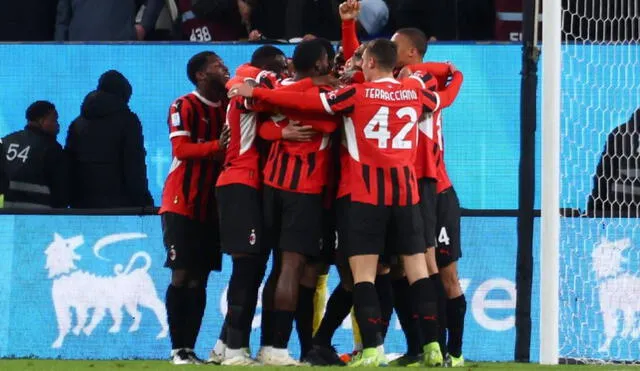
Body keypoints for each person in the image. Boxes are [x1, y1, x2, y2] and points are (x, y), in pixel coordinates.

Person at [229, 38, 443, 367]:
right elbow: (444, 92)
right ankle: (433, 348)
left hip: (363, 197)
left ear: (369, 62)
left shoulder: (354, 95)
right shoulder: (415, 93)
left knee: (363, 276)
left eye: (360, 59)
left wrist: (257, 95)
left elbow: (316, 110)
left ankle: (370, 350)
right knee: (418, 273)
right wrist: (439, 72)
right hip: (407, 196)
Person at [209, 45, 293, 366]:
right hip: (241, 181)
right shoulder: (252, 75)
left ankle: (222, 346)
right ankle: (235, 350)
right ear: (268, 65)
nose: (284, 73)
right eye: (281, 66)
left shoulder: (252, 83)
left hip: (250, 183)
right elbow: (250, 86)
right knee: (247, 270)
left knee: (253, 269)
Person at [159, 51, 229, 365]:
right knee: (182, 274)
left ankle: (189, 349)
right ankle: (177, 350)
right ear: (201, 75)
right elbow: (181, 149)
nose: (223, 67)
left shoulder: (229, 106)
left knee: (200, 277)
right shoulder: (183, 105)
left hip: (212, 206)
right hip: (181, 202)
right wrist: (217, 147)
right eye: (216, 65)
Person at [65, 70, 153, 209]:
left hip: (81, 202)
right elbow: (133, 163)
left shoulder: (77, 123)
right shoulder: (128, 121)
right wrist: (142, 200)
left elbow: (68, 163)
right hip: (119, 203)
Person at [0, 101, 68, 209]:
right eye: (54, 120)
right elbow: (60, 188)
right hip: (40, 213)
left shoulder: (6, 141)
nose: (57, 125)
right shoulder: (51, 148)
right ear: (41, 121)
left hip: (7, 212)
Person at [588, 108, 640, 216]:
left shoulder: (621, 133)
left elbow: (603, 176)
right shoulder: (622, 134)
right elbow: (604, 176)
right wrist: (595, 212)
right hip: (622, 213)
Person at [55, 0, 164, 41]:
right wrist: (59, 49)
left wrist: (143, 27)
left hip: (121, 42)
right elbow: (63, 17)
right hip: (78, 47)